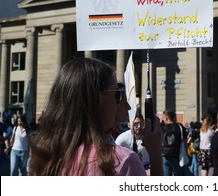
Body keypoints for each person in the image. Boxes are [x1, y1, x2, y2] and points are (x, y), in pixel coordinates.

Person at [28, 57, 162, 176]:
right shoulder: (122, 161)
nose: (126, 106)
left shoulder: (42, 155)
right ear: (98, 100)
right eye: (117, 94)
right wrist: (155, 156)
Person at [161, 110, 188, 176]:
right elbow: (185, 142)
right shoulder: (180, 127)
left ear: (167, 118)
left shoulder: (162, 128)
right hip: (177, 156)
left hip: (165, 155)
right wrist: (185, 153)